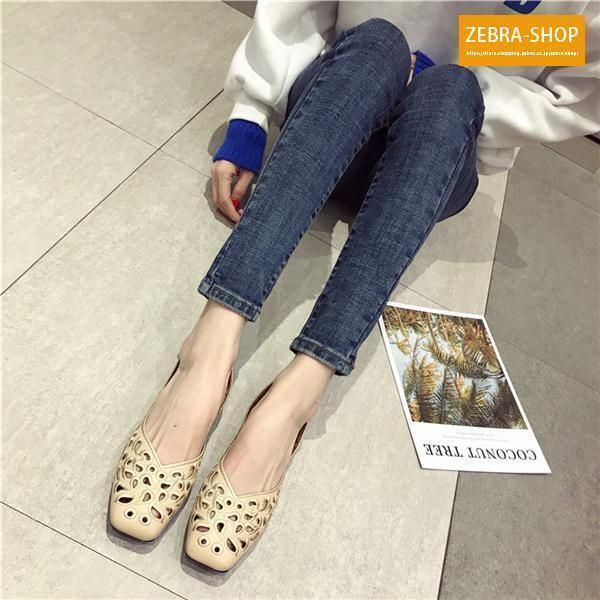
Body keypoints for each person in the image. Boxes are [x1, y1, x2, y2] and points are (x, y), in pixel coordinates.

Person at [109, 1, 600, 571]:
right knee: (378, 43)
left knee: (452, 89)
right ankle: (210, 349)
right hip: (339, 108)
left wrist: (470, 89)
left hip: (434, 157)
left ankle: (295, 397)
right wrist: (250, 112)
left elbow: (576, 84)